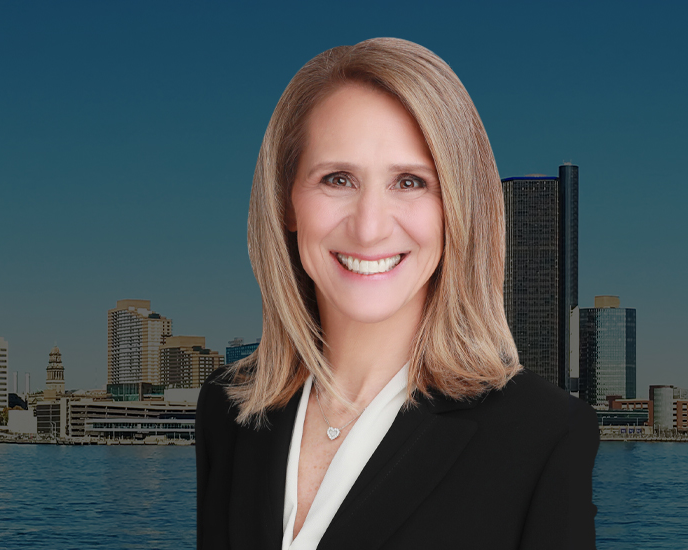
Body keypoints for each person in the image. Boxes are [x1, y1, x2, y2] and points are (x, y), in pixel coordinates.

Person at [195, 37, 598, 550]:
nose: (369, 229)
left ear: (458, 207)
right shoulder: (226, 409)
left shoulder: (542, 436)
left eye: (409, 182)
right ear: (286, 202)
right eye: (337, 178)